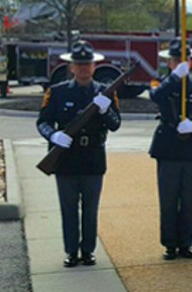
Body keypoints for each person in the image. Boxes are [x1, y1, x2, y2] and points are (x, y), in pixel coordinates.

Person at [36, 40, 121, 268]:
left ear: (94, 67)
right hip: (66, 159)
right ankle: (71, 251)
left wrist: (105, 110)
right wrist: (53, 136)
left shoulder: (105, 93)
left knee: (90, 209)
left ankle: (88, 251)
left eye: (88, 64)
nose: (84, 68)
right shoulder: (57, 92)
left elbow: (115, 124)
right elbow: (43, 122)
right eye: (79, 64)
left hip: (93, 158)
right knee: (69, 208)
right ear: (71, 67)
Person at [148, 39, 192, 260]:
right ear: (170, 63)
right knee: (168, 199)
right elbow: (156, 97)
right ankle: (169, 243)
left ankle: (186, 242)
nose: (181, 63)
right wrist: (174, 78)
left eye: (184, 59)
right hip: (168, 147)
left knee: (190, 199)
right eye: (176, 60)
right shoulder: (159, 82)